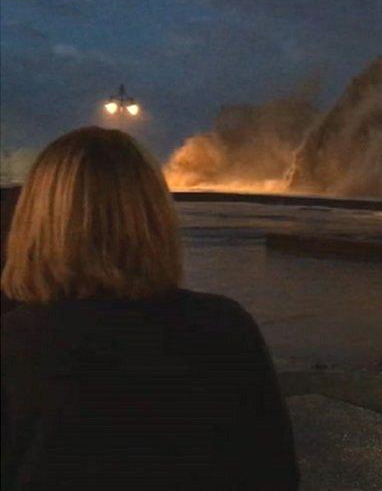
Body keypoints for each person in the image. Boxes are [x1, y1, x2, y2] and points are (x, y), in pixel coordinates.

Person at [1, 127, 298, 489]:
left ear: (33, 223)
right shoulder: (227, 329)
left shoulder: (15, 346)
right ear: (155, 218)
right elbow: (274, 474)